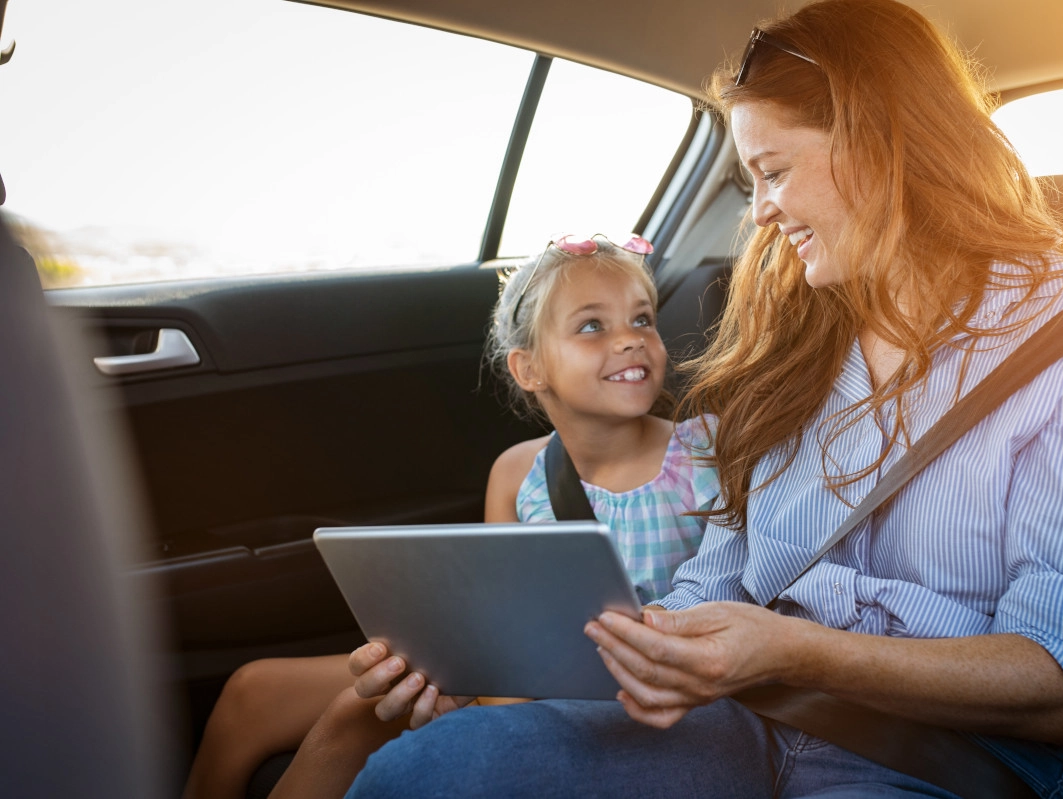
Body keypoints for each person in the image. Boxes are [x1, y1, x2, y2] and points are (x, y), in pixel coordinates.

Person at [342, 2, 1063, 798]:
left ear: (879, 141)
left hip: (942, 758)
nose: (758, 214)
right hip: (747, 718)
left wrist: (796, 649)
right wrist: (578, 656)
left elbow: (1059, 686)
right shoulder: (791, 343)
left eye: (773, 171)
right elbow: (713, 579)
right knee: (421, 770)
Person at [180, 234, 720, 799]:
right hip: (516, 675)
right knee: (250, 688)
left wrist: (479, 708)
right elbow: (497, 625)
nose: (631, 341)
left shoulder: (708, 451)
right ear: (529, 369)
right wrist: (469, 681)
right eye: (592, 326)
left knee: (353, 713)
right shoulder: (517, 473)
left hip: (635, 699)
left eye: (643, 320)